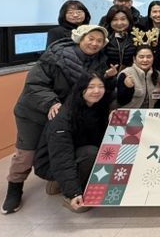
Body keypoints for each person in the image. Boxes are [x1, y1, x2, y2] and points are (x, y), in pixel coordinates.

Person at [1, 24, 111, 214]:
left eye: (99, 41)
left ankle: (58, 181)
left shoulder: (98, 61)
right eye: (90, 39)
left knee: (68, 146)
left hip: (66, 111)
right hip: (36, 111)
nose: (94, 44)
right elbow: (35, 84)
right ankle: (14, 189)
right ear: (80, 38)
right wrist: (51, 102)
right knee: (26, 154)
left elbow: (96, 87)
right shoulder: (55, 56)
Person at [33, 73, 112, 213]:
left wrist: (113, 116)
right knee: (91, 153)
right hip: (51, 162)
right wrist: (73, 193)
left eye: (101, 86)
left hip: (76, 152)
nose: (97, 91)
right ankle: (68, 193)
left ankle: (62, 182)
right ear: (80, 89)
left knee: (100, 151)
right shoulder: (63, 116)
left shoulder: (97, 108)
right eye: (91, 87)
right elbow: (62, 157)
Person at [135, 0, 160, 71]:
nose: (158, 14)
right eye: (154, 12)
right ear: (149, 15)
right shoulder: (140, 26)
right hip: (144, 64)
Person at [102, 4, 136, 72]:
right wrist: (106, 73)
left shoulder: (137, 36)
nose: (119, 23)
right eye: (115, 19)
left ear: (129, 20)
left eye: (123, 19)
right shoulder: (103, 37)